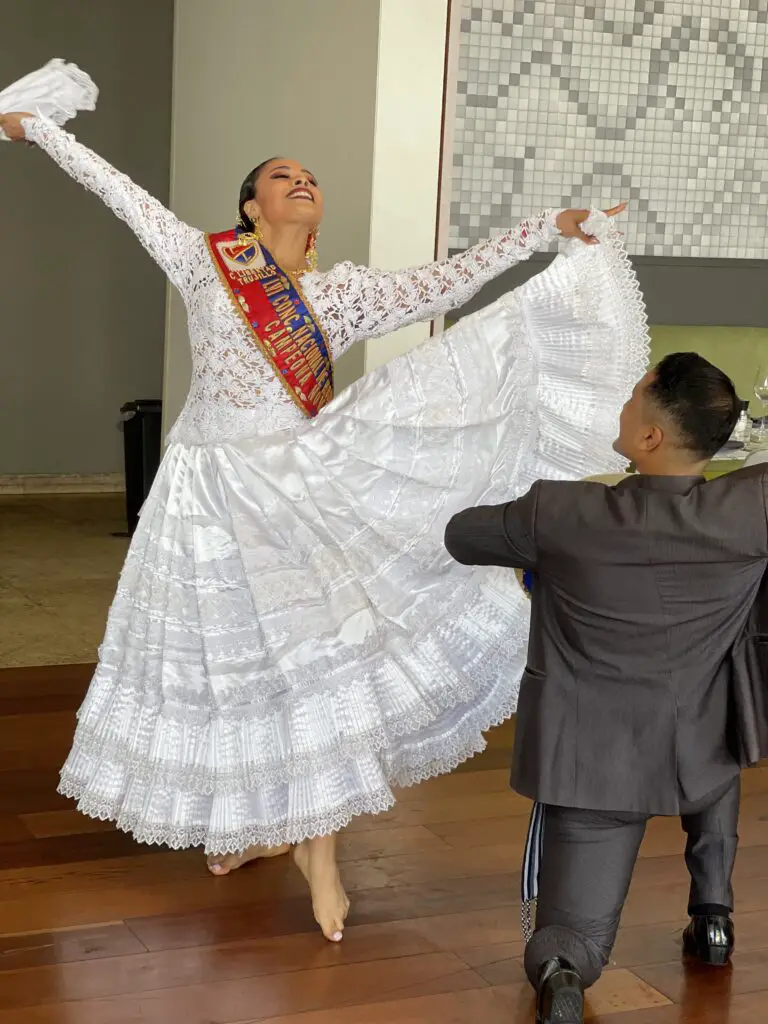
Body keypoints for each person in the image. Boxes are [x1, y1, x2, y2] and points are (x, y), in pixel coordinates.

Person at [0, 105, 646, 944]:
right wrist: (38, 130)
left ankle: (321, 850)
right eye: (281, 176)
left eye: (310, 177)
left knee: (313, 657)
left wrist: (546, 227)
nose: (301, 181)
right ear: (249, 210)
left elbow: (449, 280)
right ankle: (265, 823)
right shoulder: (206, 263)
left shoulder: (343, 292)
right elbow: (119, 193)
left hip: (297, 488)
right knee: (231, 661)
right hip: (201, 492)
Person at [444, 352, 768, 1024]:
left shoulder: (560, 513)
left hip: (594, 762)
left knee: (576, 938)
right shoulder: (750, 508)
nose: (622, 407)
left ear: (650, 437)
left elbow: (460, 534)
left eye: (631, 399)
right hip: (702, 737)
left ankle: (564, 975)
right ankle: (713, 918)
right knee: (716, 744)